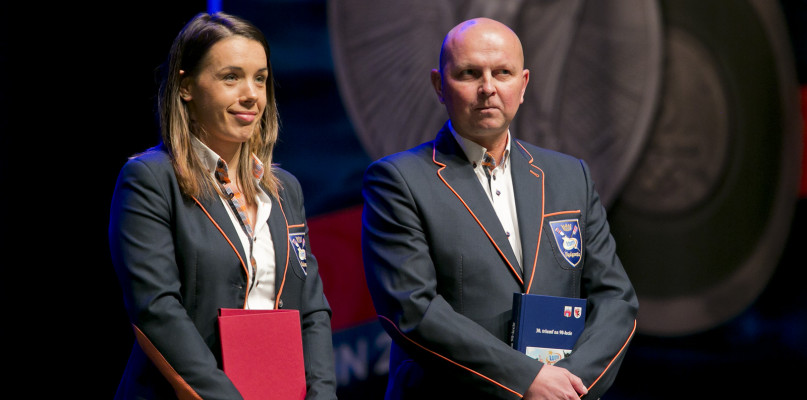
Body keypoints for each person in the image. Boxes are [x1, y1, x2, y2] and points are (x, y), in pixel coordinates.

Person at [361, 17, 639, 399]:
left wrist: (568, 386)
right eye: (470, 73)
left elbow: (615, 300)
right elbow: (413, 312)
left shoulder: (569, 176)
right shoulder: (398, 180)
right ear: (440, 85)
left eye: (502, 73)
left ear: (523, 85)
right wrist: (527, 380)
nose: (487, 88)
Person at [109, 12, 337, 399]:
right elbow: (157, 311)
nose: (251, 94)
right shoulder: (150, 179)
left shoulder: (285, 190)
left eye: (260, 78)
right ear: (186, 87)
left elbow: (312, 311)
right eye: (231, 77)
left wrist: (322, 394)